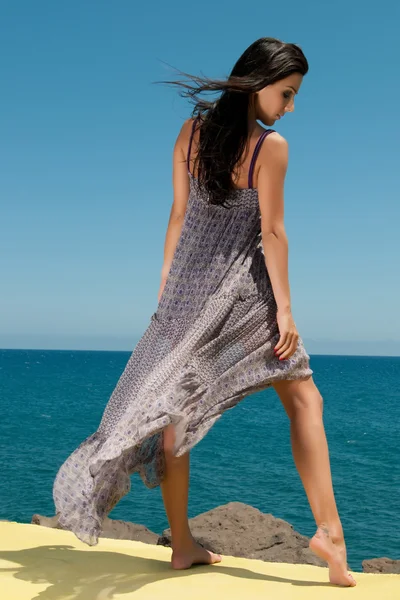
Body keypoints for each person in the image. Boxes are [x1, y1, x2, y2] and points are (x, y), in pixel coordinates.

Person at [50, 37, 356, 587]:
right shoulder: (271, 147)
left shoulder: (190, 133)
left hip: (185, 294)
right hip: (243, 295)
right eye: (286, 93)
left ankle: (182, 543)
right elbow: (272, 233)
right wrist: (285, 311)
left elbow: (178, 216)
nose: (289, 107)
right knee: (305, 397)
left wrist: (168, 291)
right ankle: (329, 532)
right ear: (258, 82)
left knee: (175, 411)